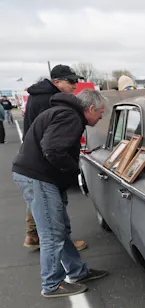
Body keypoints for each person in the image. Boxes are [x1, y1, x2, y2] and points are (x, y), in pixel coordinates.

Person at [12, 89, 109, 298]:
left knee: (60, 229)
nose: (101, 117)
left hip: (38, 176)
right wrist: (74, 169)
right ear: (91, 108)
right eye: (101, 112)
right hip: (39, 177)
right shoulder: (70, 117)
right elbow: (52, 149)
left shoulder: (64, 113)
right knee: (52, 233)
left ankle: (77, 272)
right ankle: (52, 284)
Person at [22, 65, 87, 252]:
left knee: (37, 199)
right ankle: (61, 242)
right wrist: (69, 166)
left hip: (33, 155)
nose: (75, 85)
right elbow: (53, 141)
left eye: (76, 80)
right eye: (71, 81)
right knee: (55, 203)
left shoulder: (37, 95)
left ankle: (32, 234)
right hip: (44, 159)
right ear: (57, 82)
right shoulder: (50, 100)